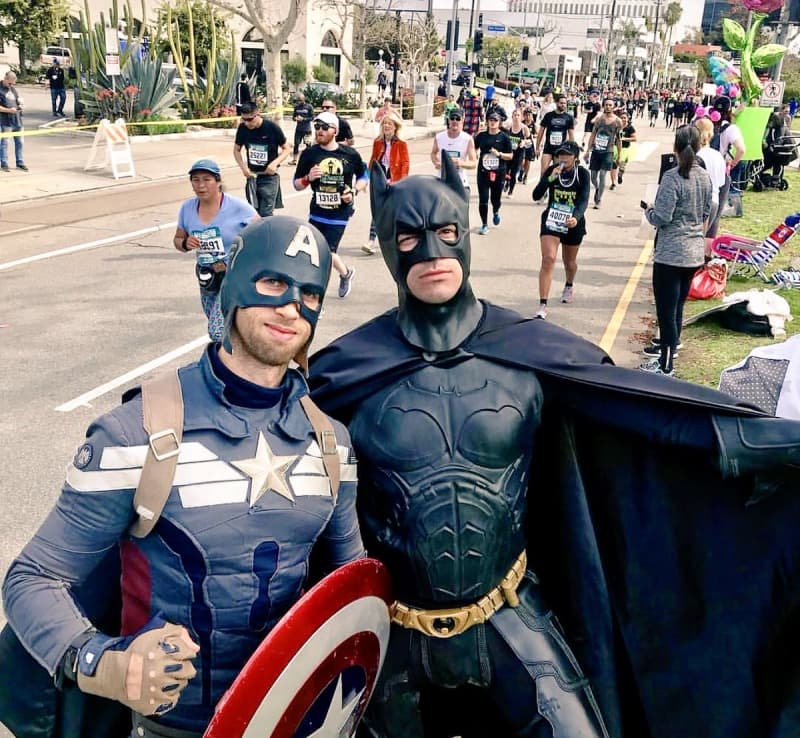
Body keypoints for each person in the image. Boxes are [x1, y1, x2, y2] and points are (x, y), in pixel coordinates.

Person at [308, 155, 800, 738]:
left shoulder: (528, 350)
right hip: (392, 632)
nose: (432, 255)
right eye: (409, 237)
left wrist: (776, 445)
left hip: (511, 613)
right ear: (388, 245)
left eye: (446, 234)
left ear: (466, 233)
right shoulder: (346, 372)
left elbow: (651, 417)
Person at [3, 215, 365, 738]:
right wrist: (103, 662)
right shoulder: (134, 434)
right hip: (170, 727)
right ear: (236, 289)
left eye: (310, 293)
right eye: (273, 284)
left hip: (295, 720)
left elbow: (349, 590)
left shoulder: (331, 444)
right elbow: (32, 579)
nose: (291, 306)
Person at [642, 125, 712, 376]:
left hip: (671, 252)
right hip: (692, 251)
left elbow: (662, 216)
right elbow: (707, 212)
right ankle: (669, 355)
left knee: (665, 311)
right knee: (678, 306)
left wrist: (648, 210)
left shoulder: (672, 177)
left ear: (675, 147)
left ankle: (666, 364)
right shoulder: (704, 176)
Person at [173, 159, 258, 341]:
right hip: (208, 277)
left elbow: (263, 231)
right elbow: (178, 240)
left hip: (234, 275)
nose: (201, 185)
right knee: (222, 326)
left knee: (217, 331)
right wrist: (186, 243)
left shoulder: (238, 207)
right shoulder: (187, 208)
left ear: (218, 181)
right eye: (195, 180)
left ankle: (233, 362)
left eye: (206, 179)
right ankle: (241, 358)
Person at [293, 111, 367, 297]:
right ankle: (345, 273)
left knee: (325, 252)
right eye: (317, 127)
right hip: (317, 212)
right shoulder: (309, 154)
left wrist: (354, 192)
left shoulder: (349, 154)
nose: (319, 131)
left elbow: (364, 176)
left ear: (334, 130)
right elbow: (296, 184)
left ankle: (314, 295)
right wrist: (308, 178)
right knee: (316, 252)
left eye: (324, 128)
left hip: (339, 214)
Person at [531, 140, 590, 319]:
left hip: (572, 222)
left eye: (567, 155)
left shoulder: (582, 174)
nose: (563, 158)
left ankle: (569, 285)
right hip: (552, 220)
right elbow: (536, 195)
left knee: (569, 262)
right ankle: (542, 304)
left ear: (575, 157)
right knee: (548, 259)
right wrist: (550, 178)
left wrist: (576, 217)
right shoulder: (552, 171)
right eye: (560, 155)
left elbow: (584, 199)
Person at [233, 102, 291, 217]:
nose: (247, 123)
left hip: (269, 178)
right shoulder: (243, 128)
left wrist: (275, 163)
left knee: (266, 214)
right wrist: (243, 168)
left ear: (257, 114)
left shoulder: (271, 127)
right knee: (253, 213)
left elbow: (287, 149)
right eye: (243, 119)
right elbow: (236, 150)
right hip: (252, 177)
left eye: (249, 119)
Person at [363, 113, 410, 254]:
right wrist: (367, 178)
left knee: (394, 211)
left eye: (390, 123)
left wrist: (399, 181)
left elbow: (405, 163)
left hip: (395, 177)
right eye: (384, 123)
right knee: (378, 208)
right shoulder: (377, 142)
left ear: (395, 127)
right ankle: (371, 241)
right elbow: (373, 160)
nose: (387, 126)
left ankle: (399, 241)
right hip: (381, 176)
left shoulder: (402, 143)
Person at [474, 110, 513, 235]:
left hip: (499, 172)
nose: (492, 122)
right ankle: (484, 224)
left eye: (495, 120)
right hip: (483, 172)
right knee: (483, 199)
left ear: (499, 122)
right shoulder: (481, 136)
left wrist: (499, 154)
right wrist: (474, 153)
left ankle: (496, 211)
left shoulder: (504, 137)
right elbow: (473, 147)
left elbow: (511, 156)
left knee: (495, 199)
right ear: (487, 122)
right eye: (490, 120)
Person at [693, 116, 727, 255]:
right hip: (714, 200)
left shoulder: (695, 154)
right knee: (704, 237)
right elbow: (721, 182)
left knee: (692, 240)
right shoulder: (717, 155)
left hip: (698, 201)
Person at [584, 99, 621, 209]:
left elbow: (619, 139)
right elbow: (593, 135)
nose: (608, 107)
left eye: (610, 105)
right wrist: (587, 150)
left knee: (602, 174)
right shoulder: (599, 120)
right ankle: (597, 188)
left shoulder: (617, 121)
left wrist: (619, 155)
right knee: (593, 177)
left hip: (608, 152)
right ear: (604, 106)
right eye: (606, 105)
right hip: (596, 151)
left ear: (613, 107)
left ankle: (598, 199)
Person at [430, 106, 478, 193]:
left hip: (460, 183)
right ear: (449, 120)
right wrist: (436, 162)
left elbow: (473, 163)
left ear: (462, 120)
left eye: (458, 118)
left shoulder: (468, 139)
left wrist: (461, 163)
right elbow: (433, 153)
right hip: (442, 181)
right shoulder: (439, 137)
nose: (455, 121)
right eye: (452, 118)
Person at [536, 93, 575, 180]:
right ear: (557, 103)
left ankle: (551, 190)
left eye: (565, 103)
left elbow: (571, 135)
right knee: (544, 171)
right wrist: (537, 147)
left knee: (556, 172)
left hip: (560, 150)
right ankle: (542, 189)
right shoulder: (548, 116)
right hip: (548, 148)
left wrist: (572, 151)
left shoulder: (569, 118)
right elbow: (541, 132)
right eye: (561, 103)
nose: (563, 105)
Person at [0, 71, 27, 172]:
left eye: (13, 83)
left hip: (17, 119)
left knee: (20, 142)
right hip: (5, 120)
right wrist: (8, 110)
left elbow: (17, 100)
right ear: (5, 79)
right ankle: (4, 163)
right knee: (5, 142)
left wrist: (20, 105)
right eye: (10, 83)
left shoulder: (13, 89)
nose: (11, 85)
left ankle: (20, 162)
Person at [503, 108, 530, 196]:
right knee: (506, 171)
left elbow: (530, 140)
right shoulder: (508, 127)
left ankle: (511, 191)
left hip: (518, 154)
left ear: (521, 117)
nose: (516, 117)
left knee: (513, 173)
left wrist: (524, 142)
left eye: (518, 115)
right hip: (508, 153)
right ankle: (507, 182)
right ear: (512, 116)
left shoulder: (524, 128)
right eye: (515, 115)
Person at [288, 91, 313, 165]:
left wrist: (303, 119)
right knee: (296, 144)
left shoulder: (309, 107)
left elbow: (312, 118)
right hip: (298, 130)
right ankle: (295, 160)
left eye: (300, 100)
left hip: (307, 130)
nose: (299, 102)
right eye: (298, 101)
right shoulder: (296, 107)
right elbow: (293, 117)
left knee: (308, 145)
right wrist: (295, 118)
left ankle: (310, 160)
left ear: (303, 99)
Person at [613, 110, 637, 186]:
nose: (623, 119)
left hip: (626, 149)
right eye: (622, 118)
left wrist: (623, 139)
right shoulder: (616, 126)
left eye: (625, 118)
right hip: (615, 148)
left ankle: (620, 175)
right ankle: (613, 181)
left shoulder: (630, 128)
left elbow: (634, 139)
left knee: (622, 166)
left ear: (628, 119)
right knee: (614, 165)